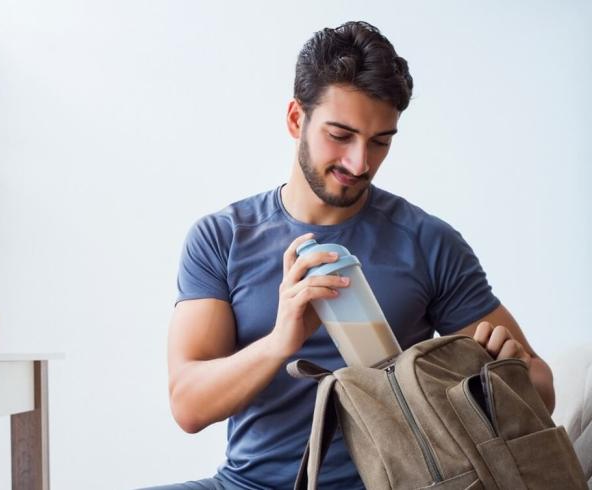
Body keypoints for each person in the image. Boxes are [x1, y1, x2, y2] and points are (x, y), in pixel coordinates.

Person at [144, 20, 554, 490]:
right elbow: (188, 407)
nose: (360, 163)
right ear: (296, 119)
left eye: (381, 141)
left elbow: (542, 387)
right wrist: (281, 340)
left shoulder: (427, 241)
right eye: (341, 135)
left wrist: (506, 375)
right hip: (246, 483)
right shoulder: (221, 238)